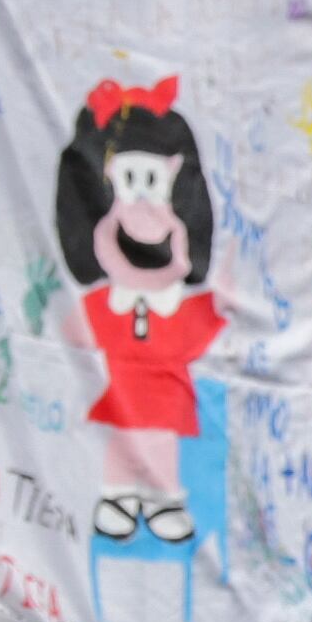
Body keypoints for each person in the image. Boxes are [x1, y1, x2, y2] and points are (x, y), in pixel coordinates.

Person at [53, 77, 223, 546]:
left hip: (166, 406)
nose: (144, 206)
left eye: (153, 183)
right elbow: (71, 331)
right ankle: (119, 496)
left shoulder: (174, 301)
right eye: (131, 182)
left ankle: (163, 499)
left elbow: (203, 329)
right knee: (120, 455)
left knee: (162, 451)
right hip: (123, 399)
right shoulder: (105, 301)